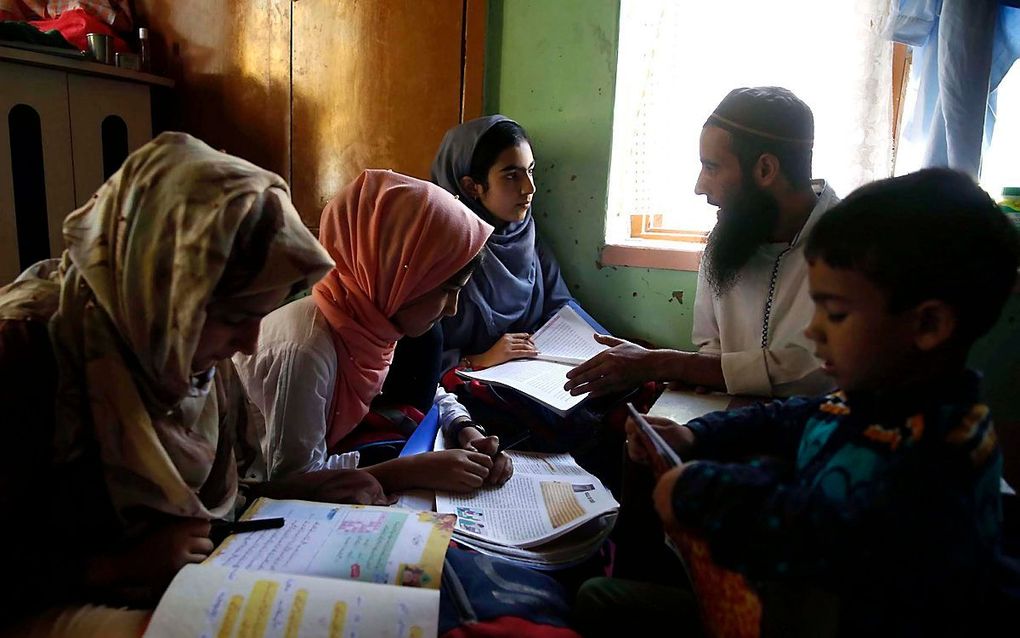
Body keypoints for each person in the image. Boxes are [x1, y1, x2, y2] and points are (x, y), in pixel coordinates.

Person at [593, 169, 1018, 635]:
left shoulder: (938, 455)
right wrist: (696, 434)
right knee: (600, 599)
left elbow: (821, 527)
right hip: (792, 605)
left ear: (928, 326)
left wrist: (700, 489)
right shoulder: (876, 401)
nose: (814, 331)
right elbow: (795, 415)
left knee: (605, 606)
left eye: (836, 313)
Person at [0, 133, 385, 635]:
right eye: (233, 317)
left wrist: (297, 491)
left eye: (260, 315)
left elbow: (205, 510)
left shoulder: (188, 353)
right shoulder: (28, 355)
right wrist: (112, 568)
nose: (249, 343)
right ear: (163, 286)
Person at [234, 169, 514, 495]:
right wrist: (407, 471)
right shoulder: (308, 349)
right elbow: (287, 480)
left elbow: (432, 392)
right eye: (444, 290)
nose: (452, 309)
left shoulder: (371, 324)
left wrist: (465, 428)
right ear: (398, 273)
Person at [566, 87, 839, 400]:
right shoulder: (730, 236)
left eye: (711, 167)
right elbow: (709, 344)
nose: (699, 187)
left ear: (765, 169)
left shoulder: (853, 244)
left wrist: (663, 363)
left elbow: (815, 372)